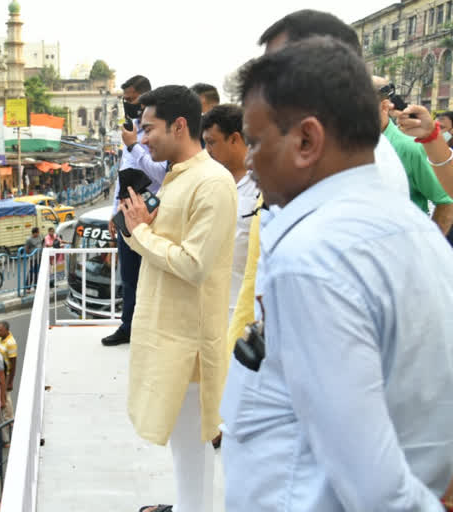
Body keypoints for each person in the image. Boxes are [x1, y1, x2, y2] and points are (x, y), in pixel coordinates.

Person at [222, 35, 453, 511]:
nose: (248, 160)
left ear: (307, 140)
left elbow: (376, 488)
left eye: (258, 140)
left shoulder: (313, 259)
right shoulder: (409, 224)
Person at [227, 8, 415, 377]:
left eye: (278, 69)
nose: (250, 161)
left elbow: (344, 408)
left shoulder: (352, 202)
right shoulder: (319, 184)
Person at [120, 84, 237, 512]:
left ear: (180, 125)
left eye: (149, 128)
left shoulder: (212, 184)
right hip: (168, 334)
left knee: (193, 451)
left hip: (188, 344)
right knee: (184, 449)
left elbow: (192, 265)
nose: (143, 138)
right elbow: (159, 249)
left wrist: (143, 232)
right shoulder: (177, 177)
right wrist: (137, 230)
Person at [106, 74, 169, 347]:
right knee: (129, 276)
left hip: (150, 214)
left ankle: (149, 329)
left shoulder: (156, 132)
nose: (127, 104)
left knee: (150, 276)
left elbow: (161, 174)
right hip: (126, 212)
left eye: (131, 99)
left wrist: (135, 145)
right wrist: (114, 211)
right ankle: (128, 326)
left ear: (144, 97)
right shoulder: (129, 130)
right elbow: (122, 173)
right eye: (125, 99)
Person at [373, 76, 453, 235]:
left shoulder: (409, 147)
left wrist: (430, 249)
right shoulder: (347, 144)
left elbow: (446, 202)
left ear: (384, 106)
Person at [202, 104, 260, 319]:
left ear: (234, 139)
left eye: (211, 142)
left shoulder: (263, 186)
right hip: (211, 303)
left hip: (248, 307)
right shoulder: (209, 182)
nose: (207, 150)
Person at [0, 321, 17, 445]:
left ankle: (10, 437)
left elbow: (13, 365)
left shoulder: (10, 343)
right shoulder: (0, 338)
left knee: (7, 407)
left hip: (6, 375)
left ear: (7, 330)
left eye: (0, 330)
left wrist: (10, 381)